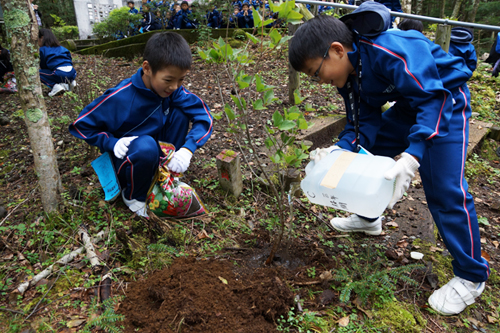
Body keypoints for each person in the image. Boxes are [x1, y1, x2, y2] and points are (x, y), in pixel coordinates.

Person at [288, 2, 489, 316]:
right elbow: (361, 123)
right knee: (373, 149)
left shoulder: (388, 49)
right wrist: (340, 151)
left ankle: (472, 276)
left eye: (317, 72)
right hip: (412, 103)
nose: (319, 81)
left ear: (338, 50)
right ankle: (369, 217)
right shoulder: (350, 75)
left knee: (445, 189)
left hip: (445, 98)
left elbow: (433, 99)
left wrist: (412, 156)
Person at [69, 32, 213, 218]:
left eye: (181, 80)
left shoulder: (173, 92)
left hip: (157, 154)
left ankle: (166, 177)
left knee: (181, 113)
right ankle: (134, 197)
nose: (174, 87)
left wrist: (188, 149)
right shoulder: (121, 97)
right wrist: (111, 143)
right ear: (147, 68)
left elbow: (204, 116)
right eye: (168, 80)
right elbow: (81, 125)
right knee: (145, 146)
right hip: (128, 160)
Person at [38, 28, 77, 97]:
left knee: (37, 73)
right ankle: (71, 83)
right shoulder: (62, 48)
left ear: (41, 38)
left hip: (59, 73)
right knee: (58, 73)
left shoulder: (42, 49)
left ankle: (55, 87)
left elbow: (43, 65)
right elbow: (69, 60)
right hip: (72, 72)